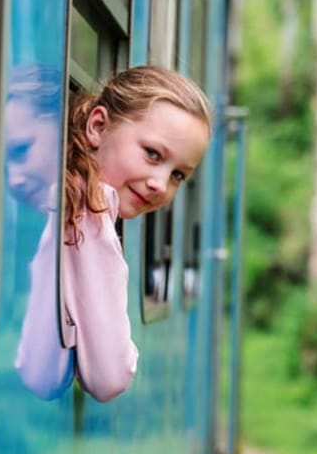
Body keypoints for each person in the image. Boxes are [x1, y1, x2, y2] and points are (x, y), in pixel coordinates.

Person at [15, 66, 212, 402]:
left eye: (178, 174)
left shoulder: (65, 188)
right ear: (98, 126)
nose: (159, 184)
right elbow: (109, 376)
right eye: (152, 154)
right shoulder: (88, 212)